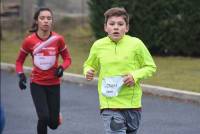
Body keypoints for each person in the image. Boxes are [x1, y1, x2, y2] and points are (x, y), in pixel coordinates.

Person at [83, 7, 156, 134]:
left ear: (127, 28)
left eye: (120, 24)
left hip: (132, 105)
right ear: (105, 27)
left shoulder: (136, 44)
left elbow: (150, 67)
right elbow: (89, 65)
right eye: (112, 24)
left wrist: (135, 75)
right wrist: (88, 71)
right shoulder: (98, 45)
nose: (116, 27)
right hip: (110, 104)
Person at [15, 7, 71, 134]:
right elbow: (19, 61)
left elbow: (67, 58)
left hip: (54, 84)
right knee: (43, 117)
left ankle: (56, 116)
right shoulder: (29, 41)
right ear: (36, 21)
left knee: (53, 124)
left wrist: (62, 67)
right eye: (42, 18)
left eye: (49, 18)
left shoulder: (58, 39)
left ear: (52, 21)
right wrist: (21, 75)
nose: (46, 21)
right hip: (37, 83)